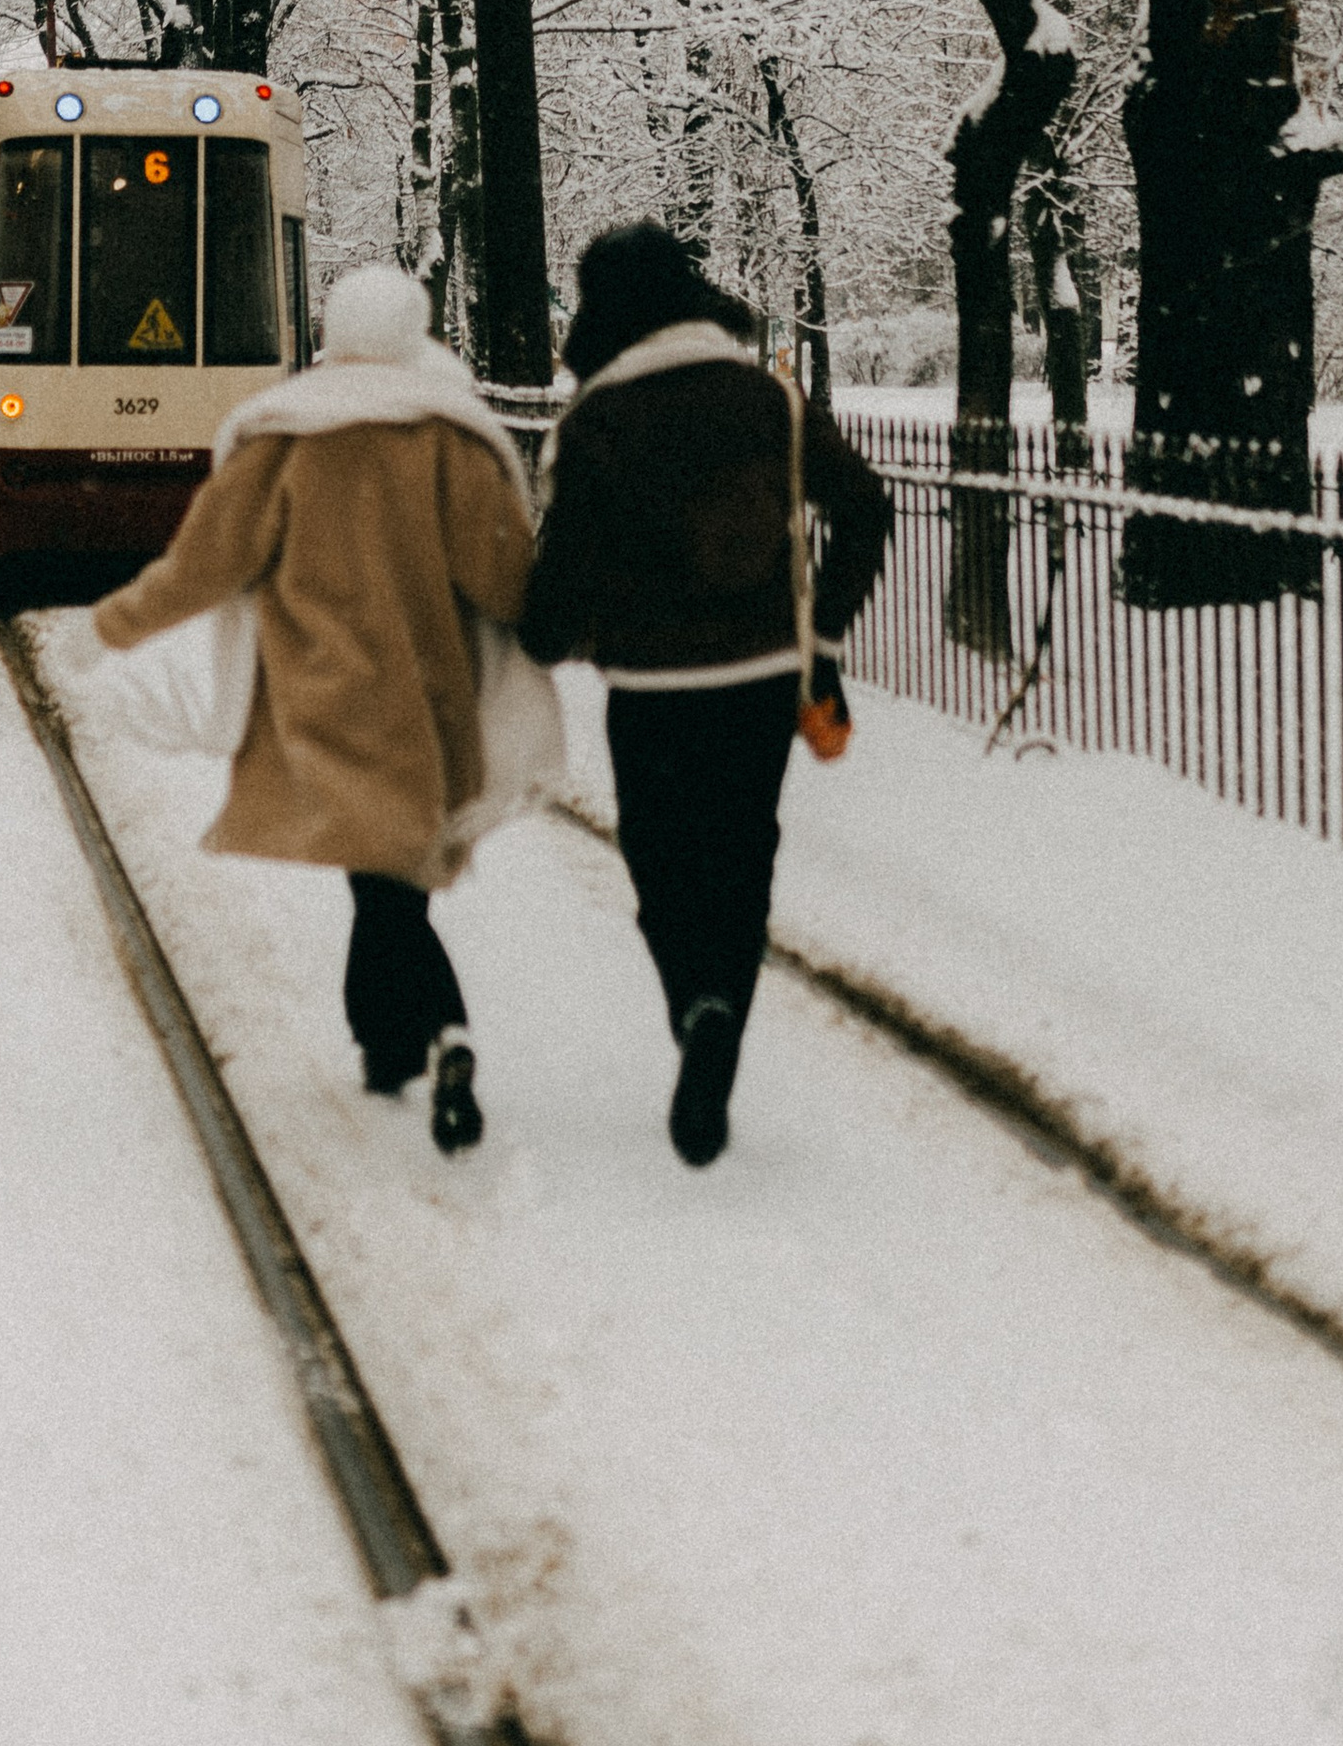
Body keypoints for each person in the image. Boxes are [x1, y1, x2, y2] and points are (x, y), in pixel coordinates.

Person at [92, 262, 538, 1153]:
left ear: (332, 328)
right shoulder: (450, 441)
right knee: (391, 883)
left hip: (324, 703)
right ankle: (413, 1039)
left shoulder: (285, 439)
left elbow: (205, 564)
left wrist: (116, 622)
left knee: (381, 885)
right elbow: (505, 579)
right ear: (414, 331)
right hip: (426, 701)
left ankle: (414, 1040)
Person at [520, 222, 892, 1168]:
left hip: (649, 682)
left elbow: (563, 568)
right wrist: (825, 630)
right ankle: (726, 1001)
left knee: (659, 858)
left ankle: (695, 1005)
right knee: (742, 851)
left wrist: (537, 639)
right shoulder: (767, 395)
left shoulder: (598, 418)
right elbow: (865, 507)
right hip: (764, 675)